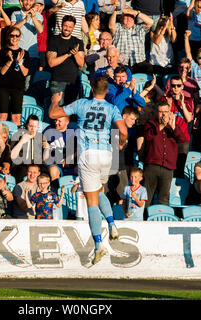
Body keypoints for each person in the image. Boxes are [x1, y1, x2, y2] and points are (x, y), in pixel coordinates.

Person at [49, 76, 128, 265]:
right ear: (107, 91)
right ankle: (111, 223)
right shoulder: (112, 108)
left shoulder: (82, 103)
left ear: (92, 89)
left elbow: (54, 115)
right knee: (99, 191)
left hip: (88, 154)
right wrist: (122, 143)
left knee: (91, 202)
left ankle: (98, 246)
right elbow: (123, 132)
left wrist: (54, 101)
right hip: (106, 155)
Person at [142, 101, 187, 207]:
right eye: (160, 111)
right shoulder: (150, 124)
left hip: (168, 167)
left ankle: (161, 220)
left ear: (169, 112)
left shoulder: (173, 126)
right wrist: (161, 125)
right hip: (152, 166)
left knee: (164, 197)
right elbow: (148, 137)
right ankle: (144, 220)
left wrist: (173, 126)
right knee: (147, 197)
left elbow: (182, 139)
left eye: (165, 112)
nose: (163, 114)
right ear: (156, 112)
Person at [47, 14, 84, 106]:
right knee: (57, 112)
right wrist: (68, 54)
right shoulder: (54, 40)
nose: (67, 29)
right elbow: (51, 63)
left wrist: (75, 54)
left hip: (73, 83)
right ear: (62, 25)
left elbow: (81, 64)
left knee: (71, 114)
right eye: (65, 26)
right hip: (57, 82)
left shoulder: (78, 42)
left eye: (70, 27)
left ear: (73, 27)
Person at [0, 25, 30, 127]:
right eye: (12, 36)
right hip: (4, 87)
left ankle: (14, 140)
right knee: (2, 116)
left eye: (17, 36)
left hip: (17, 88)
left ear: (20, 37)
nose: (14, 38)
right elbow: (2, 72)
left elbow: (25, 73)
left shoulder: (24, 53)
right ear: (8, 37)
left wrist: (19, 63)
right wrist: (10, 61)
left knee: (16, 117)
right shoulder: (2, 52)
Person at [162, 76, 194, 178]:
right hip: (169, 137)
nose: (176, 88)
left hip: (183, 138)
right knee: (168, 168)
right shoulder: (165, 99)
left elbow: (189, 119)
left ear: (182, 87)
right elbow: (163, 118)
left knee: (180, 168)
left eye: (178, 85)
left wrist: (182, 104)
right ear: (170, 87)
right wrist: (169, 103)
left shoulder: (188, 100)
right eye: (173, 86)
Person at [108, 3, 154, 72]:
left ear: (134, 18)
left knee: (150, 69)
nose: (128, 18)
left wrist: (136, 12)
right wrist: (115, 11)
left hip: (139, 62)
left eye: (131, 16)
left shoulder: (139, 28)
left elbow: (151, 22)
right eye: (126, 16)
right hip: (122, 63)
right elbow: (111, 26)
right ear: (122, 17)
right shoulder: (118, 27)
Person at [11, 0, 43, 86]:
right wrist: (25, 19)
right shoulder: (15, 14)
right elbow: (12, 30)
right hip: (17, 54)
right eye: (26, 0)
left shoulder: (38, 15)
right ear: (21, 1)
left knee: (28, 84)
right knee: (16, 82)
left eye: (31, 0)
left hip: (32, 55)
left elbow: (40, 29)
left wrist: (33, 17)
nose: (28, 2)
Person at [10, 114, 48, 181]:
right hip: (22, 164)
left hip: (37, 164)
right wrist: (21, 141)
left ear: (38, 127)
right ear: (26, 125)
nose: (33, 129)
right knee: (22, 171)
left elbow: (45, 159)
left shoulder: (41, 137)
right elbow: (12, 156)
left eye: (35, 126)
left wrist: (47, 149)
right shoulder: (18, 135)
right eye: (30, 126)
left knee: (46, 172)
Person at [43, 115, 77, 183]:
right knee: (53, 170)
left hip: (69, 163)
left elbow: (79, 150)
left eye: (59, 121)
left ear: (67, 122)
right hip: (54, 162)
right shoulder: (49, 129)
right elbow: (43, 143)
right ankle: (55, 191)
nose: (56, 123)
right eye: (56, 120)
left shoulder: (72, 132)